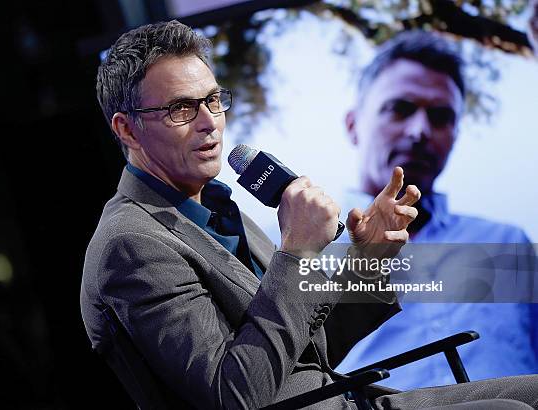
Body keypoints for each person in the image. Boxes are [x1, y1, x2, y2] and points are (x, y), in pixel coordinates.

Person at [80, 21, 537, 409]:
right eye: (182, 108)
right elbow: (236, 395)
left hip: (350, 397)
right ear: (127, 129)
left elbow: (308, 349)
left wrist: (367, 259)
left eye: (213, 100)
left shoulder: (217, 206)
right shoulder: (132, 244)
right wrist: (297, 251)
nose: (209, 122)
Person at [335, 30, 538, 391]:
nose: (420, 131)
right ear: (353, 125)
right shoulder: (291, 250)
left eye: (442, 117)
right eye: (400, 108)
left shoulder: (508, 243)